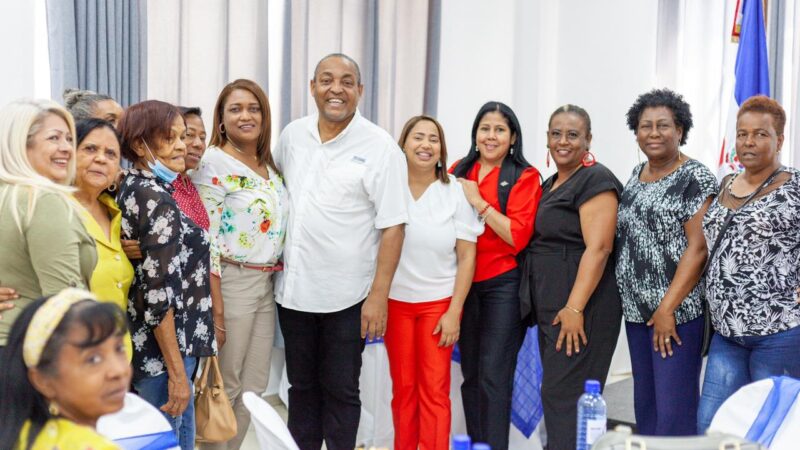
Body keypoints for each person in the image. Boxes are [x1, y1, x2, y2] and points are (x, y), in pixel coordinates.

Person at [272, 53, 408, 450]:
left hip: (348, 297)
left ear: (360, 90)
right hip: (294, 292)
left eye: (347, 81)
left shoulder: (381, 147)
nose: (336, 89)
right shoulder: (292, 136)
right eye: (327, 80)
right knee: (300, 388)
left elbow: (394, 226)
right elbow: (274, 192)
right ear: (312, 87)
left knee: (341, 391)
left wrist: (379, 296)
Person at [193, 80, 288, 450]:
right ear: (221, 119)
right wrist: (216, 308)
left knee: (253, 389)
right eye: (235, 109)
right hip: (231, 282)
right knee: (225, 386)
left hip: (265, 285)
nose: (246, 115)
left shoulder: (268, 165)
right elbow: (207, 240)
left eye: (254, 108)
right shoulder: (213, 162)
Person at [615, 88, 716, 436]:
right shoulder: (636, 174)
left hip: (676, 315)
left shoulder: (695, 177)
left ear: (680, 130)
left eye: (663, 125)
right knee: (646, 408)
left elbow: (698, 248)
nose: (653, 133)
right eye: (645, 126)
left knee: (674, 413)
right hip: (637, 313)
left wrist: (666, 309)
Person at [521, 105, 622, 450]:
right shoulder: (551, 183)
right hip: (555, 307)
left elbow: (600, 248)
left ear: (588, 140)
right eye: (556, 134)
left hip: (582, 308)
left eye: (573, 134)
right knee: (558, 394)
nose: (563, 141)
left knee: (564, 396)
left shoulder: (596, 180)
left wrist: (575, 308)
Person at [697, 95, 800, 432]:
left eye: (760, 134)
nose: (748, 141)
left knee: (772, 430)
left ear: (779, 140)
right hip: (727, 334)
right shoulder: (726, 183)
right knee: (712, 427)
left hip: (779, 334)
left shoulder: (795, 187)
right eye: (742, 134)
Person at [117, 100, 216, 450]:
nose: (181, 146)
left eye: (182, 136)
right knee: (171, 438)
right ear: (139, 144)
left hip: (153, 346)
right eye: (169, 138)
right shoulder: (155, 197)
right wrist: (176, 372)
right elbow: (159, 296)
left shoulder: (131, 186)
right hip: (166, 350)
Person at [385, 115, 482, 450]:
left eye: (433, 139)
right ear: (403, 145)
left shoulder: (455, 191)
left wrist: (454, 311)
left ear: (441, 149)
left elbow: (467, 257)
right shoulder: (388, 189)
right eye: (418, 137)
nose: (425, 145)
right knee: (403, 390)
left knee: (435, 391)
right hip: (395, 303)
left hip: (438, 305)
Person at [451, 101, 542, 450]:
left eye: (500, 130)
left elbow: (517, 236)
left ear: (513, 137)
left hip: (503, 285)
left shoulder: (524, 176)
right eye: (485, 129)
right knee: (471, 375)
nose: (491, 136)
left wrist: (479, 203)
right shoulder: (459, 169)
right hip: (463, 285)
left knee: (493, 376)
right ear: (475, 134)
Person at [0, 99, 97, 350]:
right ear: (20, 144)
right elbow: (64, 302)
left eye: (69, 139)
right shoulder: (42, 200)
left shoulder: (9, 196)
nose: (67, 148)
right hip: (33, 352)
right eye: (54, 138)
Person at [0, 288, 131, 450]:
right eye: (93, 359)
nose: (118, 371)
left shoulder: (19, 438)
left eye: (119, 349)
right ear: (43, 381)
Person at [72, 118, 135, 357]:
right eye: (90, 149)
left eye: (111, 154)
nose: (101, 159)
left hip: (117, 356)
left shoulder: (115, 211)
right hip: (73, 358)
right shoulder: (53, 209)